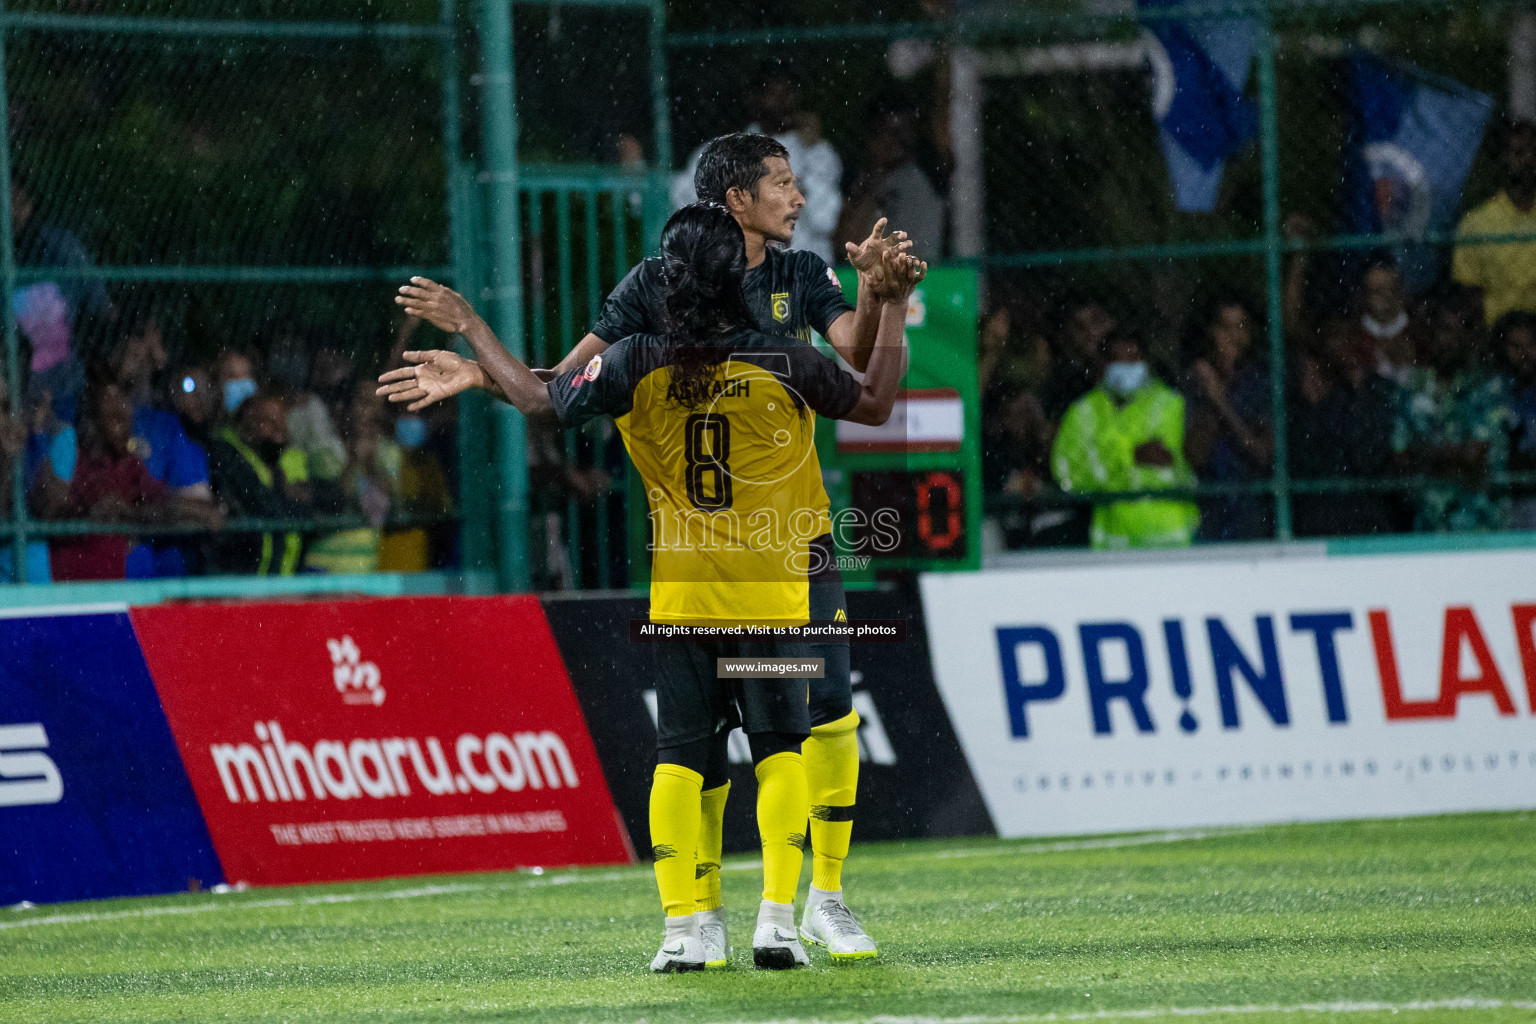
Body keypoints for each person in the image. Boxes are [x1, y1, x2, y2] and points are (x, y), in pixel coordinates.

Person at [380, 132, 912, 965]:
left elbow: (550, 396)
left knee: (736, 743)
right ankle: (779, 910)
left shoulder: (746, 298)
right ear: (733, 203)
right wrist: (891, 307)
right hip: (775, 574)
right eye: (780, 183)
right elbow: (869, 386)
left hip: (709, 582)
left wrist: (481, 358)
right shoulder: (753, 340)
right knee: (788, 741)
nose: (798, 198)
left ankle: (761, 913)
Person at [671, 63, 843, 264]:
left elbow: (826, 221)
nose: (782, 102)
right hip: (743, 275)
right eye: (772, 93)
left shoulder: (819, 152)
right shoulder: (724, 151)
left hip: (804, 272)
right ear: (753, 100)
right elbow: (682, 200)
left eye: (787, 93)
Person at [1051, 328, 1198, 549]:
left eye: (1132, 359)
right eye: (1117, 360)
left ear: (1146, 363)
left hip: (1170, 540)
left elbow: (1172, 463)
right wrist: (1132, 456)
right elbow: (1067, 472)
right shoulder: (1083, 411)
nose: (1126, 368)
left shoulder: (1170, 404)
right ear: (1102, 364)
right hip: (1113, 545)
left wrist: (1107, 462)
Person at [107, 311, 222, 576]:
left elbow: (199, 508)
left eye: (144, 357)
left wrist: (147, 510)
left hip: (160, 549)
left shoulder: (165, 426)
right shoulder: (85, 419)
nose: (136, 366)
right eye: (130, 356)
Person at [1391, 286, 1511, 533]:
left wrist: (1423, 455)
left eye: (1453, 331)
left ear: (1467, 337)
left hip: (1480, 525)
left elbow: (1474, 458)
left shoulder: (1488, 388)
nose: (1444, 340)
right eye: (1439, 330)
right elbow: (1400, 458)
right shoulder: (1412, 386)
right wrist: (1451, 458)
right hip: (1427, 525)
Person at [36, 379, 179, 581]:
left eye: (126, 418)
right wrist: (88, 511)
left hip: (114, 591)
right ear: (93, 419)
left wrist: (130, 512)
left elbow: (163, 504)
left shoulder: (130, 464)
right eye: (114, 419)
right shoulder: (70, 455)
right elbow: (48, 511)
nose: (123, 426)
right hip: (69, 590)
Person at [1289, 318, 1401, 537]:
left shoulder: (1380, 391)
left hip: (1370, 518)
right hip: (1320, 521)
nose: (1345, 346)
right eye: (1336, 339)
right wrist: (1310, 405)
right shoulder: (1308, 403)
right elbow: (1301, 459)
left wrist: (1359, 391)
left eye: (1350, 338)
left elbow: (1371, 456)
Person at [1183, 297, 1273, 541]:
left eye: (1241, 327)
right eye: (1226, 327)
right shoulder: (1197, 381)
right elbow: (1193, 456)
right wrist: (1212, 393)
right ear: (1212, 331)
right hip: (1206, 511)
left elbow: (1263, 454)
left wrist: (1221, 402)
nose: (1233, 336)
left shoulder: (1261, 382)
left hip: (1251, 512)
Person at [208, 389, 312, 575]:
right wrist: (290, 498)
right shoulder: (229, 456)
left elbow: (318, 501)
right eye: (268, 422)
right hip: (246, 580)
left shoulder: (289, 457)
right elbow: (264, 506)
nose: (278, 429)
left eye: (281, 421)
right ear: (248, 426)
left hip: (288, 580)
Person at [837, 91, 946, 264]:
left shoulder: (930, 171)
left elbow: (946, 148)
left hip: (922, 274)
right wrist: (874, 181)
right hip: (870, 275)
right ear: (872, 134)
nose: (898, 139)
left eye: (905, 130)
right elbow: (845, 243)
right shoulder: (857, 178)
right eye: (888, 131)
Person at [1455, 120, 1536, 326]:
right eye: (1516, 153)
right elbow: (1469, 293)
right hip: (1498, 339)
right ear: (1504, 158)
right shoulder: (1476, 222)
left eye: (1530, 151)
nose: (1527, 160)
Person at [1497, 311, 1536, 528]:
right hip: (1501, 503)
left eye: (1531, 345)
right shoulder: (1492, 392)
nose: (1524, 354)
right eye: (1516, 347)